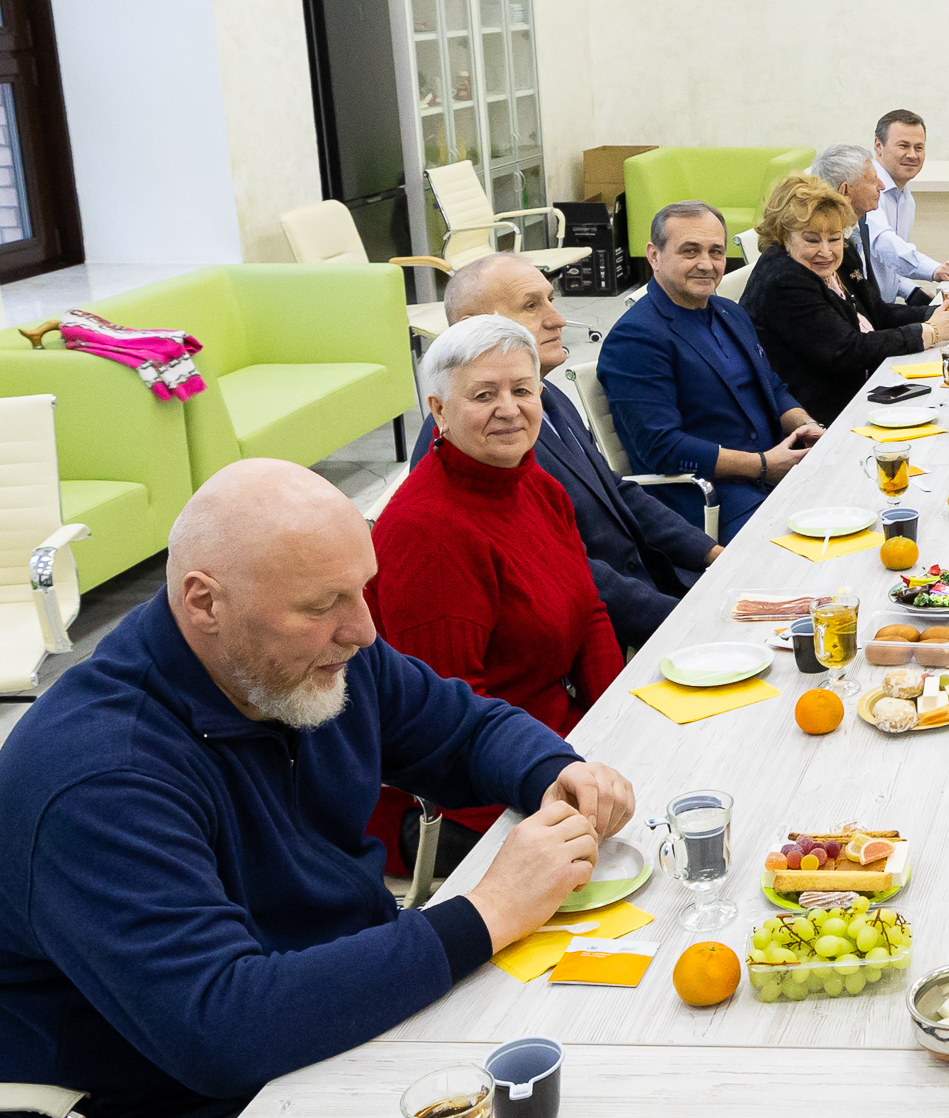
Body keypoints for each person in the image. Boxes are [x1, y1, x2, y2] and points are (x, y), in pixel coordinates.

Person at [0, 460, 636, 1118]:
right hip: (204, 1090)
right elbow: (222, 1027)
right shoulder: (100, 778)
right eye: (322, 604)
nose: (363, 629)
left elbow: (461, 728)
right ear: (205, 603)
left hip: (351, 1004)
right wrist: (490, 910)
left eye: (361, 590)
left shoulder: (298, 659)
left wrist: (553, 771)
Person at [368, 314, 625, 876]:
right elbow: (448, 724)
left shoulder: (536, 485)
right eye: (484, 395)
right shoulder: (428, 534)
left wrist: (618, 725)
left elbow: (590, 615)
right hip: (470, 798)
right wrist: (560, 778)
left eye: (522, 390)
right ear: (438, 411)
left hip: (557, 747)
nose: (509, 409)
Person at [409, 252, 718, 643]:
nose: (557, 319)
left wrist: (711, 553)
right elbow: (563, 568)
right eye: (531, 306)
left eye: (551, 300)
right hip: (597, 629)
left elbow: (615, 490)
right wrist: (686, 623)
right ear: (473, 326)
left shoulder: (546, 393)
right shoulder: (477, 436)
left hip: (647, 588)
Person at [600, 200, 824, 543]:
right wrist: (763, 465)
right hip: (711, 501)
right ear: (654, 255)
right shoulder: (636, 338)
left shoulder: (729, 312)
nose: (706, 264)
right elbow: (662, 446)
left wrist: (807, 426)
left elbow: (773, 388)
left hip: (774, 474)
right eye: (690, 251)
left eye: (715, 252)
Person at [747, 173, 949, 423]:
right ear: (784, 236)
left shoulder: (842, 256)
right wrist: (931, 331)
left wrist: (940, 313)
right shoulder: (784, 280)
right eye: (811, 239)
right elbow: (846, 350)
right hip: (822, 413)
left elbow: (877, 312)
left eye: (834, 238)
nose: (826, 251)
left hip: (866, 386)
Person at [830, 109, 949, 305]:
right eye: (903, 146)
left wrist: (912, 292)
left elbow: (888, 265)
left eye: (919, 147)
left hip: (884, 309)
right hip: (865, 311)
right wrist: (935, 269)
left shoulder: (905, 197)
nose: (912, 155)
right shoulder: (866, 191)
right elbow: (883, 245)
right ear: (879, 146)